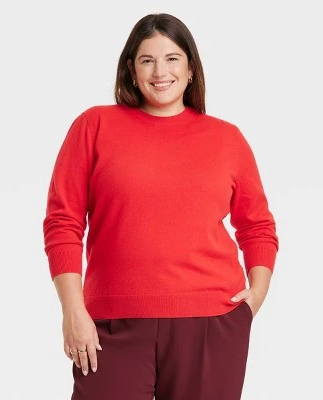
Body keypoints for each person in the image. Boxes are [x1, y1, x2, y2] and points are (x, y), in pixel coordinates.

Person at [43, 12, 279, 400]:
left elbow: (257, 225)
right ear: (131, 71)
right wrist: (72, 309)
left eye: (172, 58)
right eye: (147, 60)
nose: (160, 72)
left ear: (190, 69)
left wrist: (257, 293)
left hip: (211, 320)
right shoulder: (94, 126)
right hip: (110, 324)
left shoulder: (227, 138)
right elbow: (62, 221)